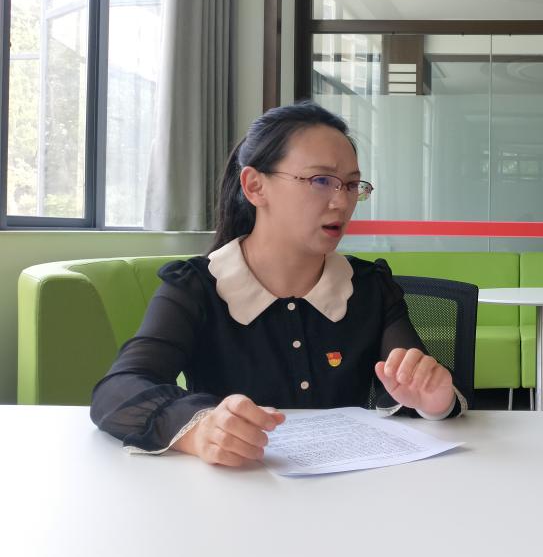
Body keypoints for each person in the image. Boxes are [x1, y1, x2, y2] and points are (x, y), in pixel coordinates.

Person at [92, 102, 467, 466]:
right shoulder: (197, 286)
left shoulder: (370, 286)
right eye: (321, 180)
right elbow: (118, 391)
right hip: (235, 490)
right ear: (255, 186)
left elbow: (408, 386)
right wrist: (200, 429)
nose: (342, 202)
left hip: (350, 490)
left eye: (352, 185)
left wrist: (434, 401)